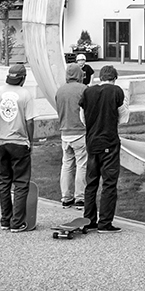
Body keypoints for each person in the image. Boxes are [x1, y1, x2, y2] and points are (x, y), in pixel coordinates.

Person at [0, 62, 38, 231]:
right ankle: (17, 222)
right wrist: (30, 141)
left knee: (4, 182)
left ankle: (5, 220)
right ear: (23, 78)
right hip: (18, 142)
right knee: (21, 183)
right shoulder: (25, 94)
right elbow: (30, 121)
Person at [78, 63, 128, 232]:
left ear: (100, 77)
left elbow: (82, 117)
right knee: (109, 183)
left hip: (92, 141)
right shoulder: (116, 91)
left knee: (91, 183)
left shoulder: (88, 92)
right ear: (115, 78)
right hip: (109, 141)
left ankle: (89, 219)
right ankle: (105, 222)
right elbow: (124, 117)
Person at [54, 61, 89, 208]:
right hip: (80, 132)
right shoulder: (84, 89)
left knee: (67, 164)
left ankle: (66, 197)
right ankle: (80, 197)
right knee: (81, 164)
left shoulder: (60, 91)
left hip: (65, 132)